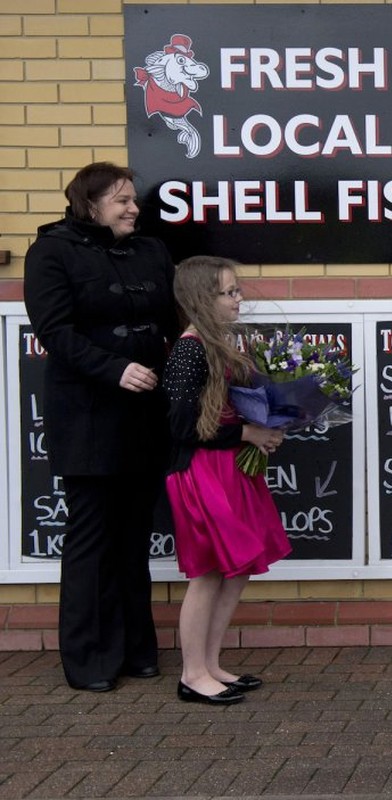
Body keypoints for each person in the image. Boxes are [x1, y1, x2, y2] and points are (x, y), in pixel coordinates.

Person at [23, 162, 178, 692]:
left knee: (135, 535)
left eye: (134, 199)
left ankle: (137, 650)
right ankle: (89, 659)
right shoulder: (51, 251)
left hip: (144, 412)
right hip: (88, 414)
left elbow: (171, 322)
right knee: (91, 537)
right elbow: (54, 330)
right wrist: (114, 369)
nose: (134, 207)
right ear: (90, 205)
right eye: (122, 200)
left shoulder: (152, 251)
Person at [163, 255, 290, 705]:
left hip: (232, 469)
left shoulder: (224, 346)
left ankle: (212, 662)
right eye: (229, 292)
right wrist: (248, 432)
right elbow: (180, 426)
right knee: (209, 573)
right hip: (202, 474)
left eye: (237, 290)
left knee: (236, 574)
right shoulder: (189, 350)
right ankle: (193, 674)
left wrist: (267, 428)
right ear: (203, 298)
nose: (239, 299)